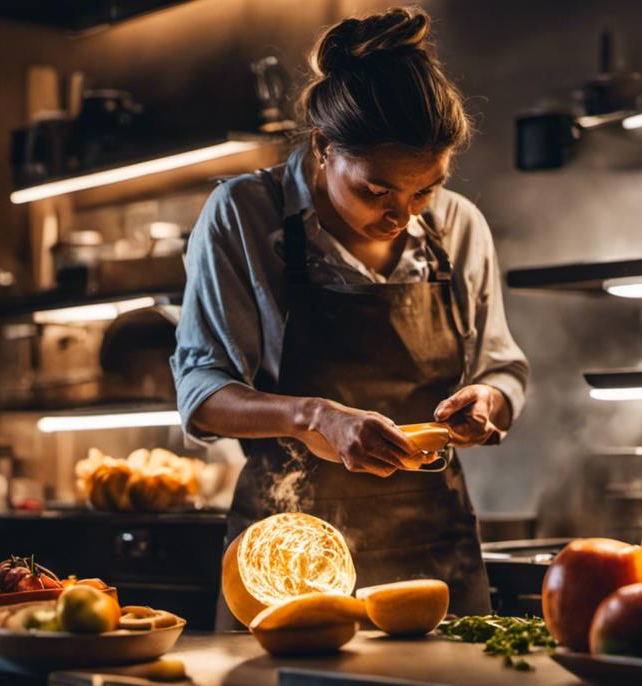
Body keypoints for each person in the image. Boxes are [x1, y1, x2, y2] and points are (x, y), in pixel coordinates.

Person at [170, 6, 529, 628]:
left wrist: (488, 404)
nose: (404, 216)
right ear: (323, 148)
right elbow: (200, 393)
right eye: (375, 190)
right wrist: (313, 415)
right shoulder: (243, 217)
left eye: (425, 189)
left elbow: (502, 368)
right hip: (284, 562)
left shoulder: (459, 226)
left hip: (434, 562)